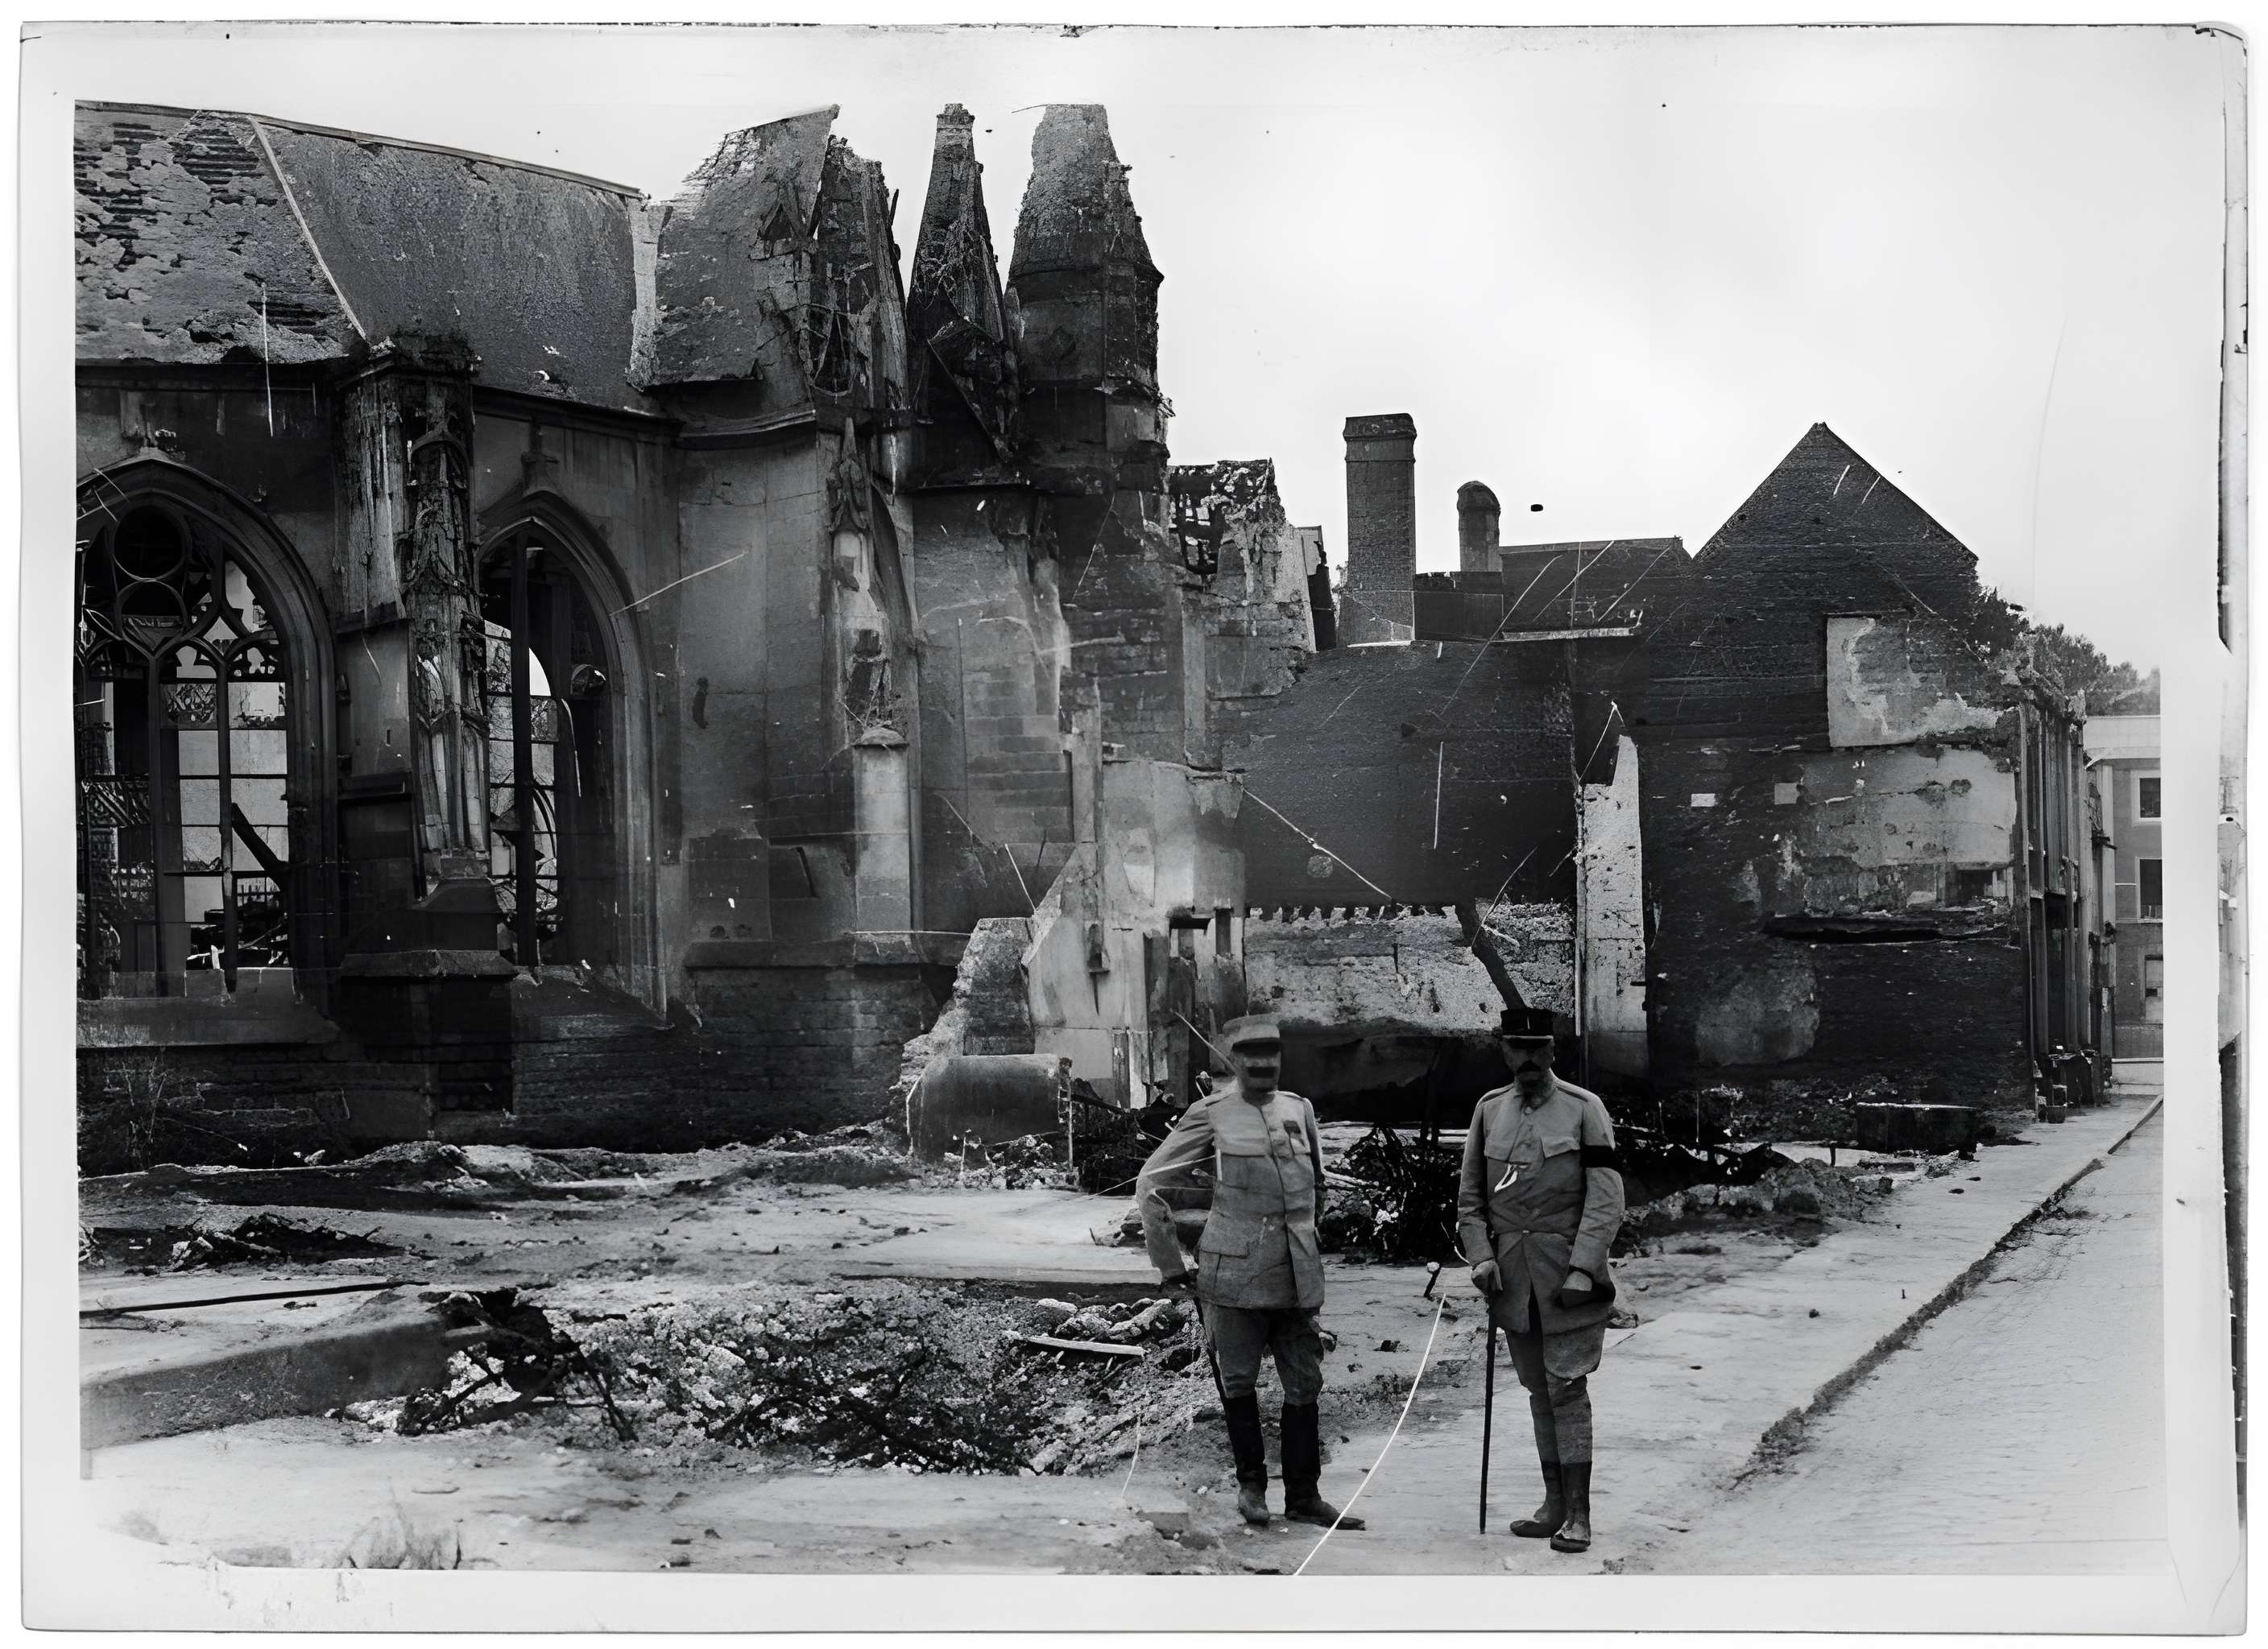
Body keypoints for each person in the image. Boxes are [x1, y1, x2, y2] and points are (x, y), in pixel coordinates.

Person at [1135, 1015, 1365, 1531]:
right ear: (1232, 1061)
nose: (1263, 1065)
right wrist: (1171, 1266)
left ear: (1281, 1058)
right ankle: (1252, 1489)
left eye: (1272, 1055)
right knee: (1238, 1385)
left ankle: (1305, 1496)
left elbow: (1317, 1186)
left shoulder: (1298, 1110)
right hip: (1233, 1277)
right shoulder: (1210, 1113)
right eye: (1251, 1056)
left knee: (1305, 1384)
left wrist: (1312, 1238)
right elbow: (1151, 1184)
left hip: (1297, 1276)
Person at [1457, 1004, 1625, 1554]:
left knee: (1568, 1388)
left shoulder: (1584, 1109)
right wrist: (1481, 1257)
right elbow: (1471, 1200)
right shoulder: (1488, 1111)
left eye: (1536, 1049)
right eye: (1516, 1048)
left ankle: (1579, 1514)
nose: (1526, 1059)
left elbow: (1606, 1201)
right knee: (1537, 1390)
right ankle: (1552, 1504)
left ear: (1552, 1052)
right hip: (1513, 1283)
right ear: (1504, 1052)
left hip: (1567, 1279)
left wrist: (1582, 1268)